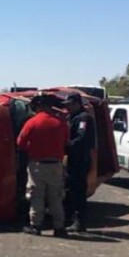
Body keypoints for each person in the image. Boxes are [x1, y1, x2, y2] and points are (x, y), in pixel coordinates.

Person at [16, 95, 70, 237]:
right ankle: (59, 227)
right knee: (56, 197)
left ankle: (36, 225)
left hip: (37, 165)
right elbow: (66, 141)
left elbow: (20, 143)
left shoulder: (32, 122)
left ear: (38, 107)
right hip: (56, 165)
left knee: (36, 197)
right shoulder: (60, 123)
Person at [64, 93, 95, 232]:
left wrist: (66, 145)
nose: (68, 107)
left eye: (70, 104)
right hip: (73, 159)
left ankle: (80, 222)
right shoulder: (72, 117)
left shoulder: (84, 118)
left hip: (80, 159)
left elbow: (81, 139)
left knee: (78, 192)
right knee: (71, 190)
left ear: (77, 103)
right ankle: (72, 220)